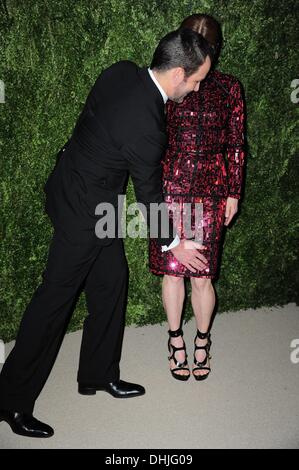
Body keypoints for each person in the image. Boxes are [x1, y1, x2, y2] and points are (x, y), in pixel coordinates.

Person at [0, 28, 214, 438]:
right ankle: (10, 401)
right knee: (53, 303)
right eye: (197, 80)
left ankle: (97, 375)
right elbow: (150, 194)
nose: (197, 88)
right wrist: (175, 243)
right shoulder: (149, 126)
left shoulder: (120, 72)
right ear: (177, 76)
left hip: (86, 195)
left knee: (112, 280)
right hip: (84, 212)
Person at [149, 14, 246, 382]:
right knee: (173, 275)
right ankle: (175, 340)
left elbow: (236, 143)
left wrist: (234, 191)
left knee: (202, 277)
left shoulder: (228, 88)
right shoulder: (168, 81)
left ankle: (202, 341)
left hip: (212, 190)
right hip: (170, 187)